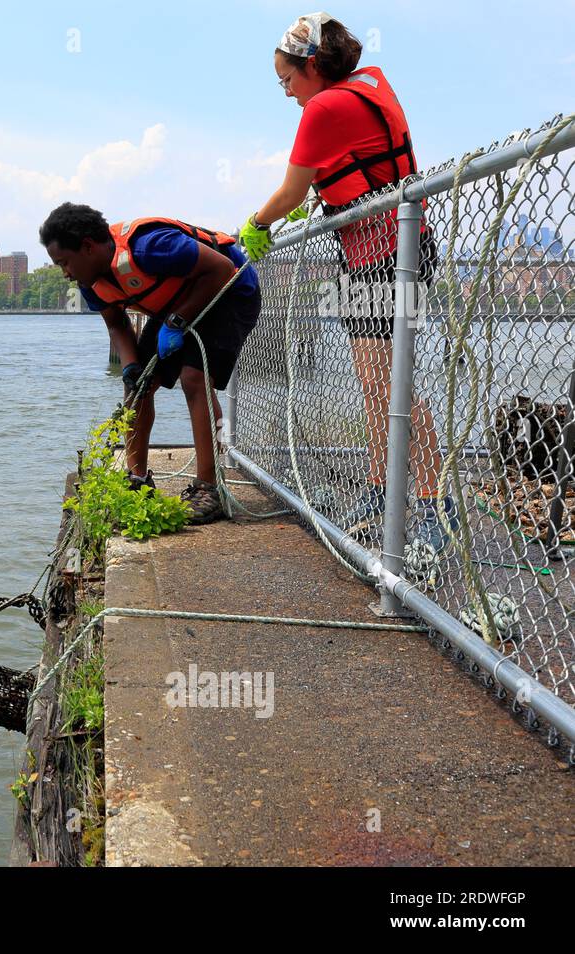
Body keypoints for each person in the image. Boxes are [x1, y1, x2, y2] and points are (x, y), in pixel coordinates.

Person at [238, 11, 455, 551]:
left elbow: (290, 193)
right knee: (374, 384)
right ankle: (385, 490)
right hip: (378, 253)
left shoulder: (326, 107)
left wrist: (258, 224)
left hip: (389, 256)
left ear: (313, 66)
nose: (287, 93)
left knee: (389, 384)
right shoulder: (360, 94)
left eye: (287, 79)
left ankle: (434, 505)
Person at [40, 202, 260, 524]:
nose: (65, 273)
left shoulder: (151, 247)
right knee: (137, 387)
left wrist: (176, 322)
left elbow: (221, 270)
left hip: (229, 291)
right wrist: (130, 368)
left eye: (65, 263)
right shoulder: (91, 284)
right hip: (176, 303)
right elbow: (117, 324)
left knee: (193, 378)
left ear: (87, 248)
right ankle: (137, 480)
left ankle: (209, 489)